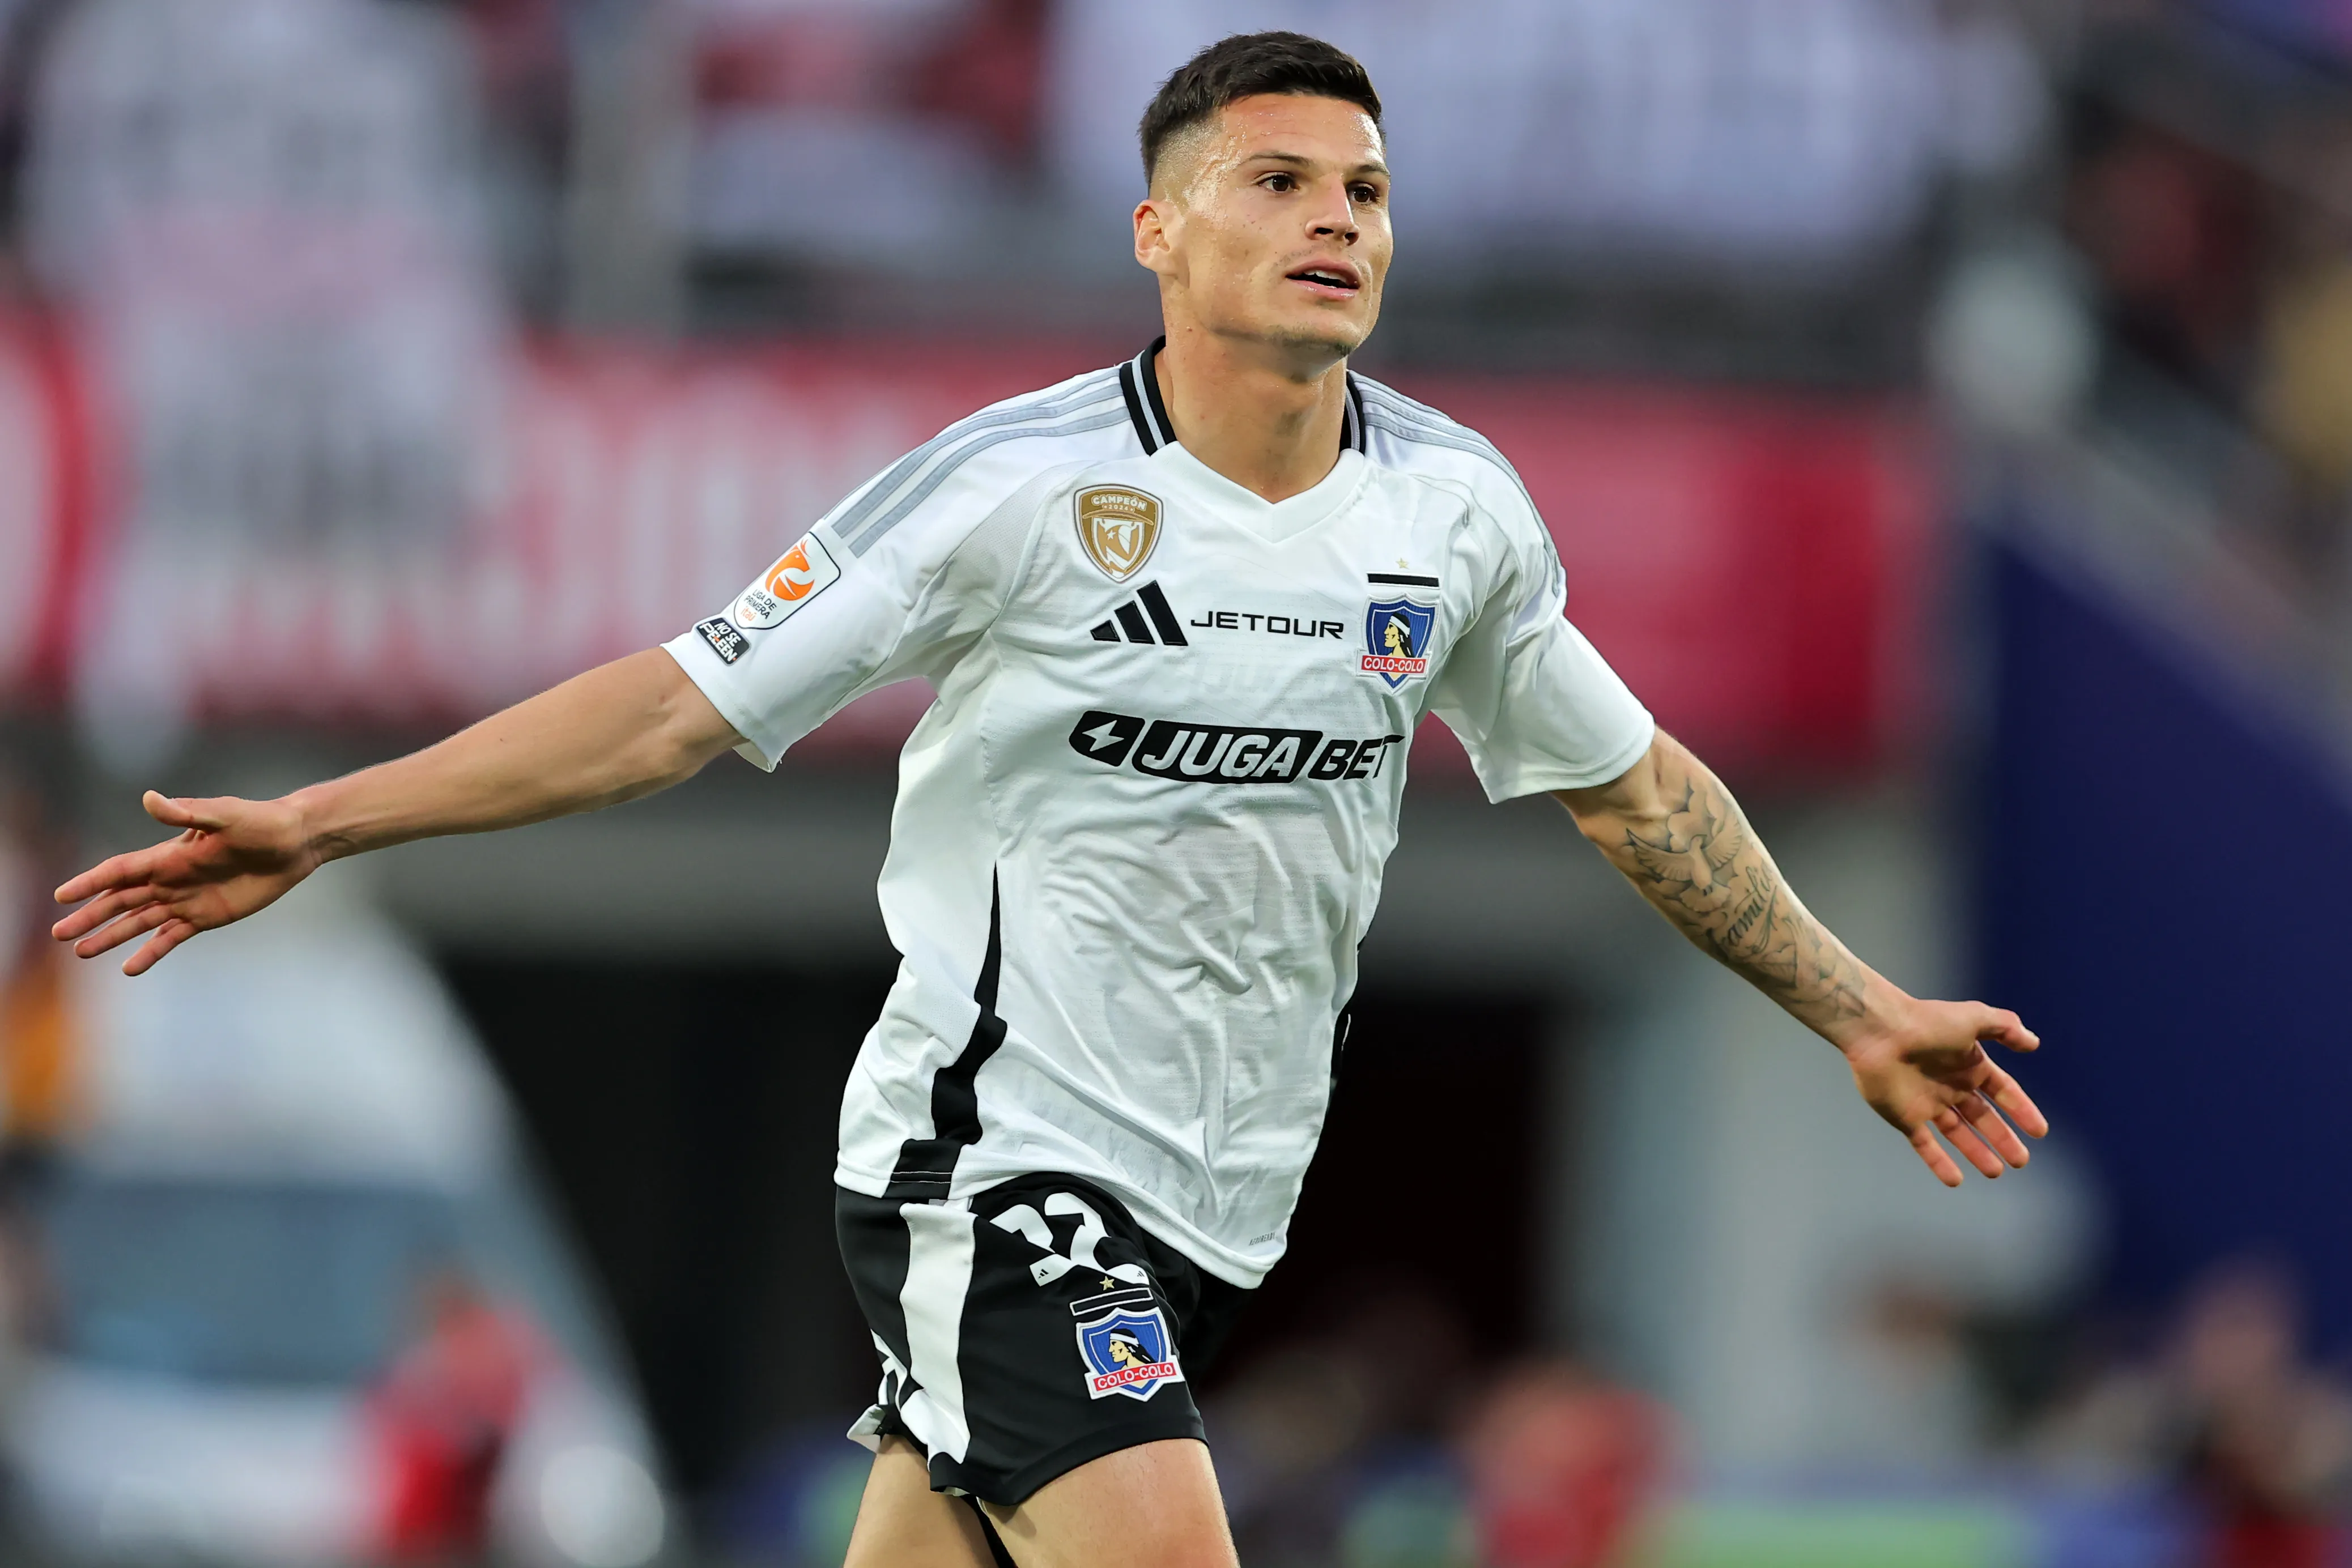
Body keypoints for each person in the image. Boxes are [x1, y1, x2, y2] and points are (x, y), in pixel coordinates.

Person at [47, 32, 2047, 1568]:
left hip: (1217, 1182)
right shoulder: (1007, 488)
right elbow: (674, 709)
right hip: (992, 1160)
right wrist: (326, 821)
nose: (1336, 217)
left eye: (1362, 185)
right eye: (1276, 181)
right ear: (1161, 233)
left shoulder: (1452, 514)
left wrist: (1857, 1005)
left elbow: (1636, 795)